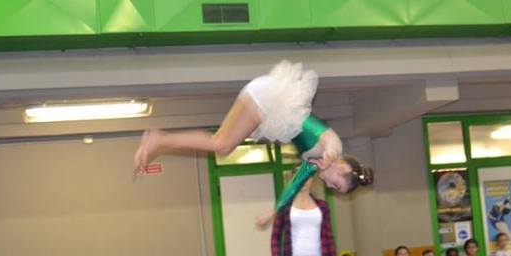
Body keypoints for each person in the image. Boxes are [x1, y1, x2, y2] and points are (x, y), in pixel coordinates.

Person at [134, 61, 374, 220]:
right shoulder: (333, 147)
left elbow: (293, 186)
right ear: (343, 168)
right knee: (221, 145)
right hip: (271, 99)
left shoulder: (313, 163)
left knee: (221, 144)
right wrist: (329, 154)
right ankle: (159, 139)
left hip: (268, 101)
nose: (330, 188)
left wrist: (275, 212)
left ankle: (160, 140)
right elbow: (326, 136)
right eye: (336, 186)